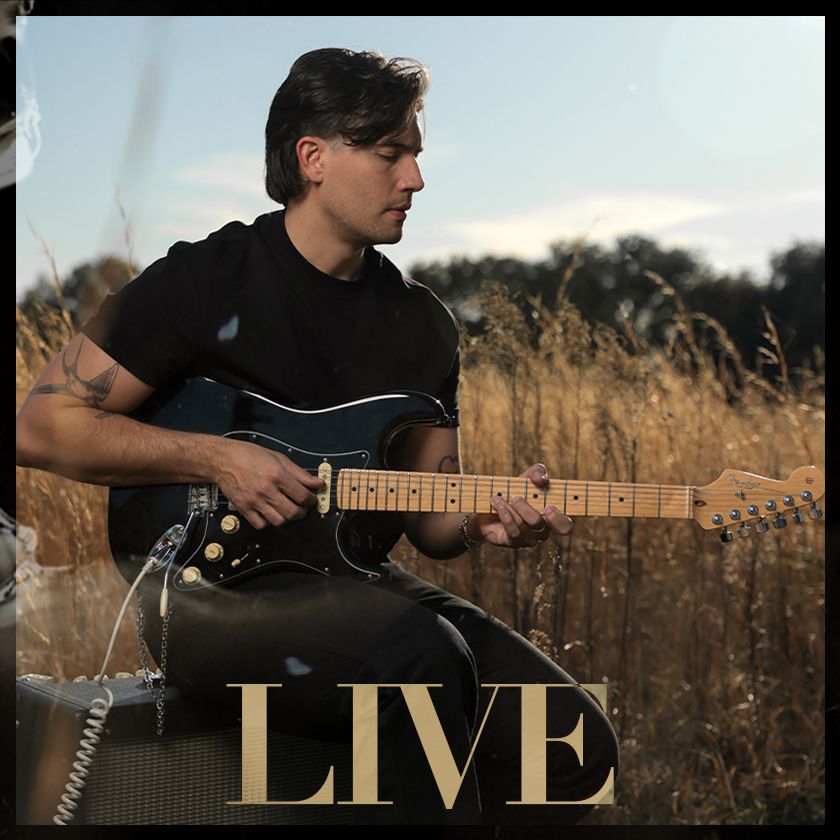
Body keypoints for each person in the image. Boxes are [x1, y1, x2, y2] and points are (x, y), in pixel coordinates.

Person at [16, 47, 619, 825]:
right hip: (205, 599)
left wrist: (485, 520)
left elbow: (432, 517)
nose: (415, 179)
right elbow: (41, 427)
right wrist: (215, 457)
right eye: (390, 154)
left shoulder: (424, 326)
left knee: (572, 747)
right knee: (421, 660)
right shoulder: (205, 280)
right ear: (313, 159)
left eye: (416, 155)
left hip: (355, 584)